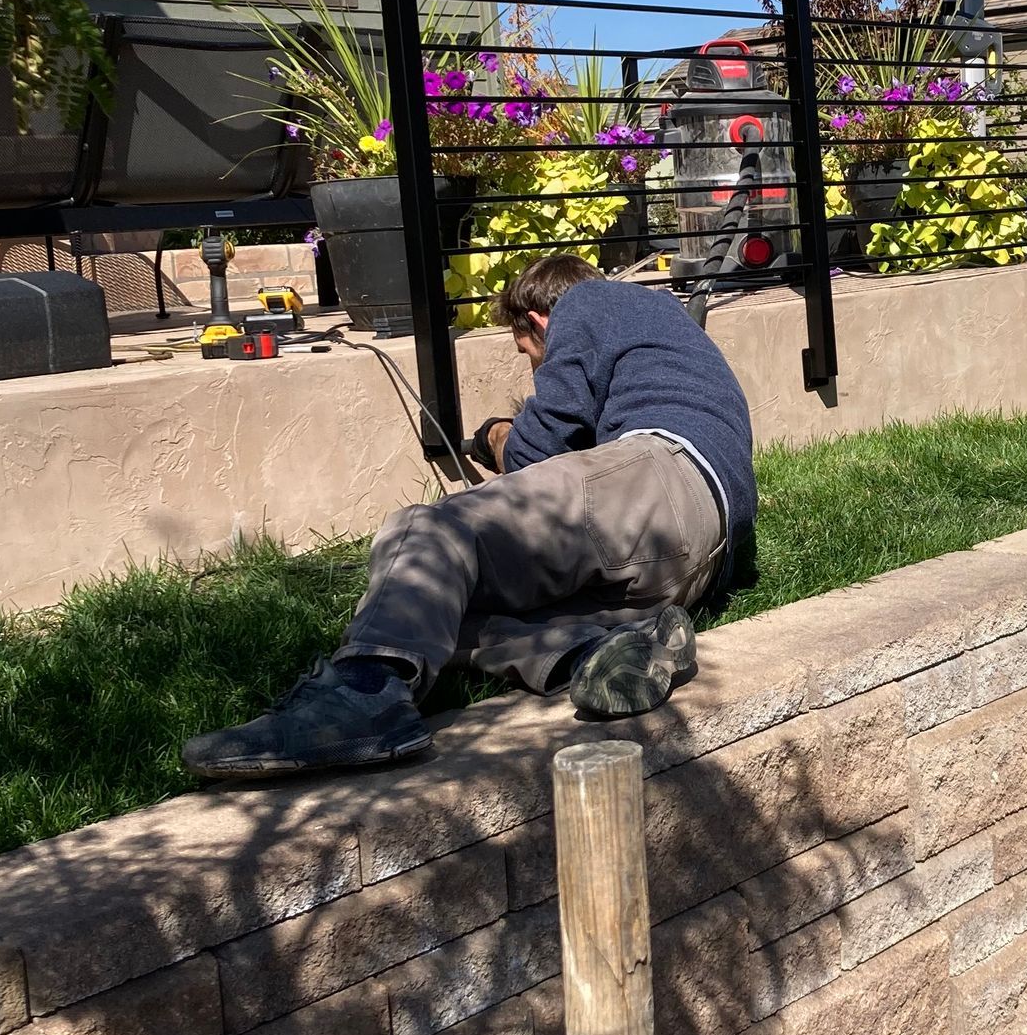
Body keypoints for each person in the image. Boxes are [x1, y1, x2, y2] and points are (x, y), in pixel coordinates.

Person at [182, 255, 756, 782]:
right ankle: (587, 652)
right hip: (701, 555)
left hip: (654, 474)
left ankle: (361, 695)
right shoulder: (661, 318)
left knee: (428, 531)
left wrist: (494, 435)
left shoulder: (587, 302)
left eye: (528, 352)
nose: (536, 365)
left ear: (538, 320)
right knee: (436, 609)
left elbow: (536, 451)